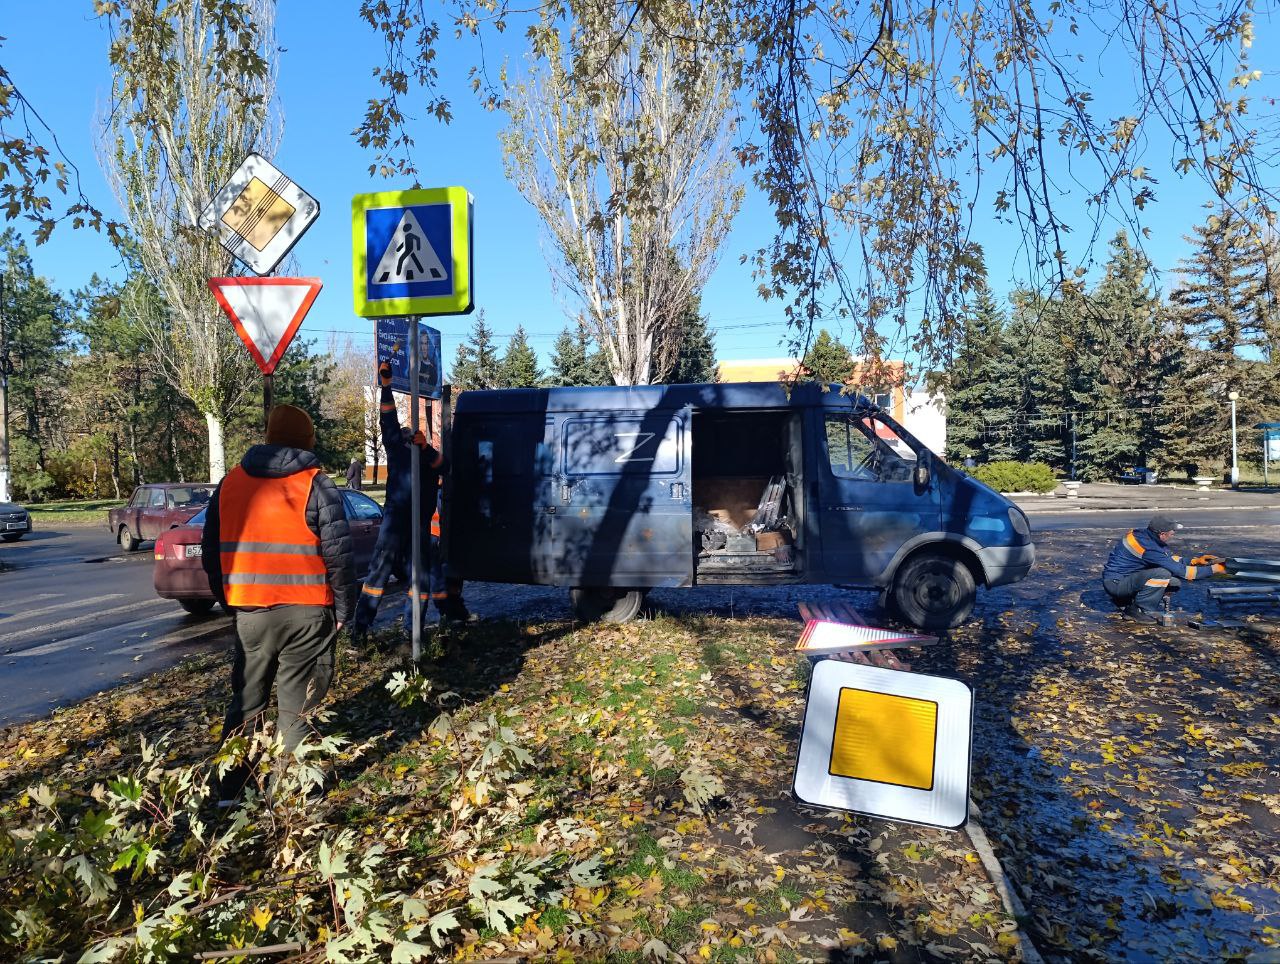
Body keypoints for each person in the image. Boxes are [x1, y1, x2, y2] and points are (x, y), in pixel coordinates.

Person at [201, 404, 356, 801]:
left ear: (268, 436)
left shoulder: (230, 483)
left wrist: (232, 602)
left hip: (250, 614)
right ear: (308, 440)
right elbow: (339, 556)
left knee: (247, 702)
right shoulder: (317, 484)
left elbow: (211, 553)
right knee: (297, 707)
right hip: (307, 615)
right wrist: (343, 610)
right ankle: (292, 794)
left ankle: (230, 790)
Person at [351, 361, 447, 642]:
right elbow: (388, 420)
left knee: (419, 580)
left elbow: (444, 466)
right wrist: (386, 388)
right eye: (407, 434)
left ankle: (411, 633)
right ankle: (361, 631)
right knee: (380, 576)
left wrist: (427, 448)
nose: (408, 434)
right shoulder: (397, 450)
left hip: (416, 524)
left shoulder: (427, 457)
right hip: (396, 523)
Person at [1102, 514, 1225, 620]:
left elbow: (1169, 559)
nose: (1173, 535)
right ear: (1162, 534)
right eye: (1172, 533)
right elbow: (1184, 572)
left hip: (1123, 579)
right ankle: (1137, 610)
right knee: (1163, 574)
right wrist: (1215, 569)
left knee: (1174, 582)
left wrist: (1195, 561)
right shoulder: (1149, 548)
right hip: (1116, 584)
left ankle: (1125, 601)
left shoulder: (1146, 536)